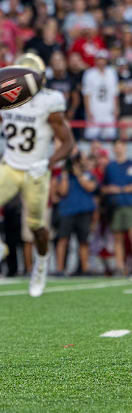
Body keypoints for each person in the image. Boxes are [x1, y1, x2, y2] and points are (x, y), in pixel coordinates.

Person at [0, 53, 74, 297]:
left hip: (35, 170)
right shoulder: (8, 98)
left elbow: (68, 143)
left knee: (37, 227)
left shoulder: (50, 101)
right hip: (10, 165)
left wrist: (48, 162)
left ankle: (41, 265)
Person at [55, 153, 97, 275]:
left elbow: (90, 188)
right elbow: (62, 191)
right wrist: (65, 174)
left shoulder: (88, 174)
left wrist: (79, 174)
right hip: (67, 212)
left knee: (83, 242)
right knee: (62, 240)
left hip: (84, 212)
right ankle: (59, 269)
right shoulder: (65, 176)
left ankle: (85, 269)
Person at [102, 139, 132, 276]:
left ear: (125, 148)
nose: (119, 149)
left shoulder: (130, 164)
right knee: (117, 237)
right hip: (115, 206)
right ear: (113, 149)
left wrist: (122, 189)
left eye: (121, 147)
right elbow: (104, 187)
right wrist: (110, 189)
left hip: (129, 205)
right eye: (116, 147)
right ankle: (119, 267)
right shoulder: (110, 166)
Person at [82, 50, 119, 140]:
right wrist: (88, 111)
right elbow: (86, 94)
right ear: (95, 60)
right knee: (92, 134)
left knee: (110, 134)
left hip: (108, 109)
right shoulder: (89, 74)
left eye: (103, 59)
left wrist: (116, 108)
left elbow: (114, 93)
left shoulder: (112, 73)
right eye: (99, 59)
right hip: (95, 109)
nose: (101, 61)